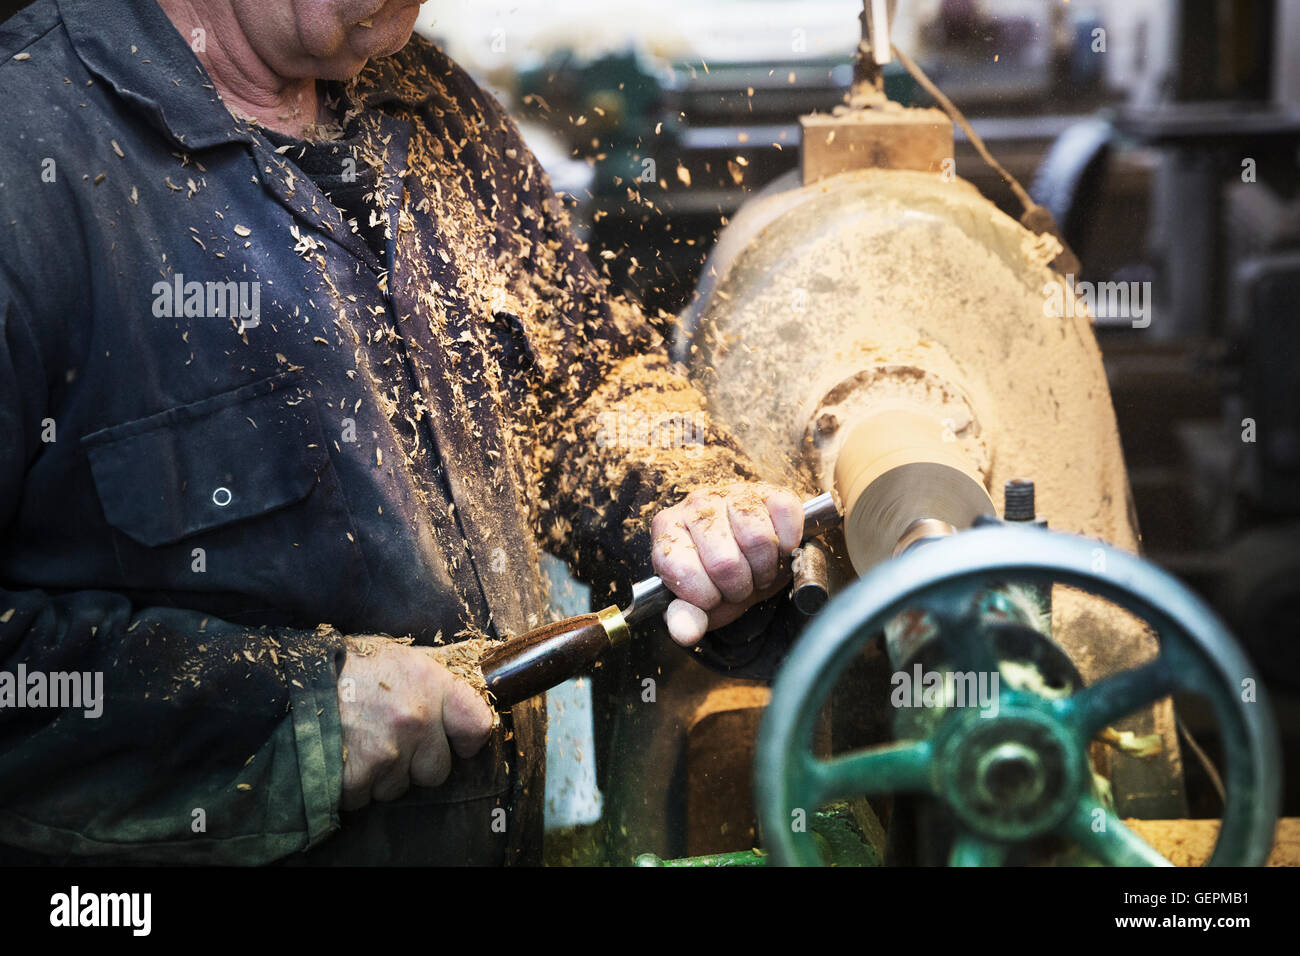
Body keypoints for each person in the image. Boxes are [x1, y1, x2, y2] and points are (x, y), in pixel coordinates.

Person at [0, 0, 803, 864]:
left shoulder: (431, 104)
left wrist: (685, 496)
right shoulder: (28, 163)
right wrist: (298, 710)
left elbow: (589, 380)